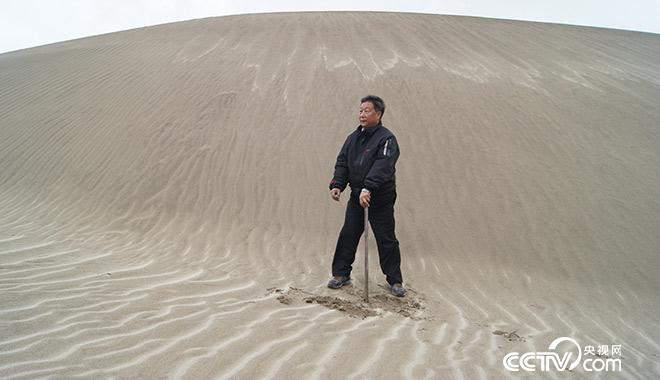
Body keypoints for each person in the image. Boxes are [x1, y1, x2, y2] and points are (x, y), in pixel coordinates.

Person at [327, 95, 405, 297]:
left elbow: (384, 165)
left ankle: (395, 280)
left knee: (386, 238)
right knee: (349, 234)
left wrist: (368, 188)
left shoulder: (387, 139)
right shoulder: (352, 138)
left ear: (378, 114)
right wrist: (338, 184)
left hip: (380, 198)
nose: (361, 114)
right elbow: (343, 162)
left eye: (366, 110)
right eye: (360, 110)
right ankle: (341, 274)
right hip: (356, 195)